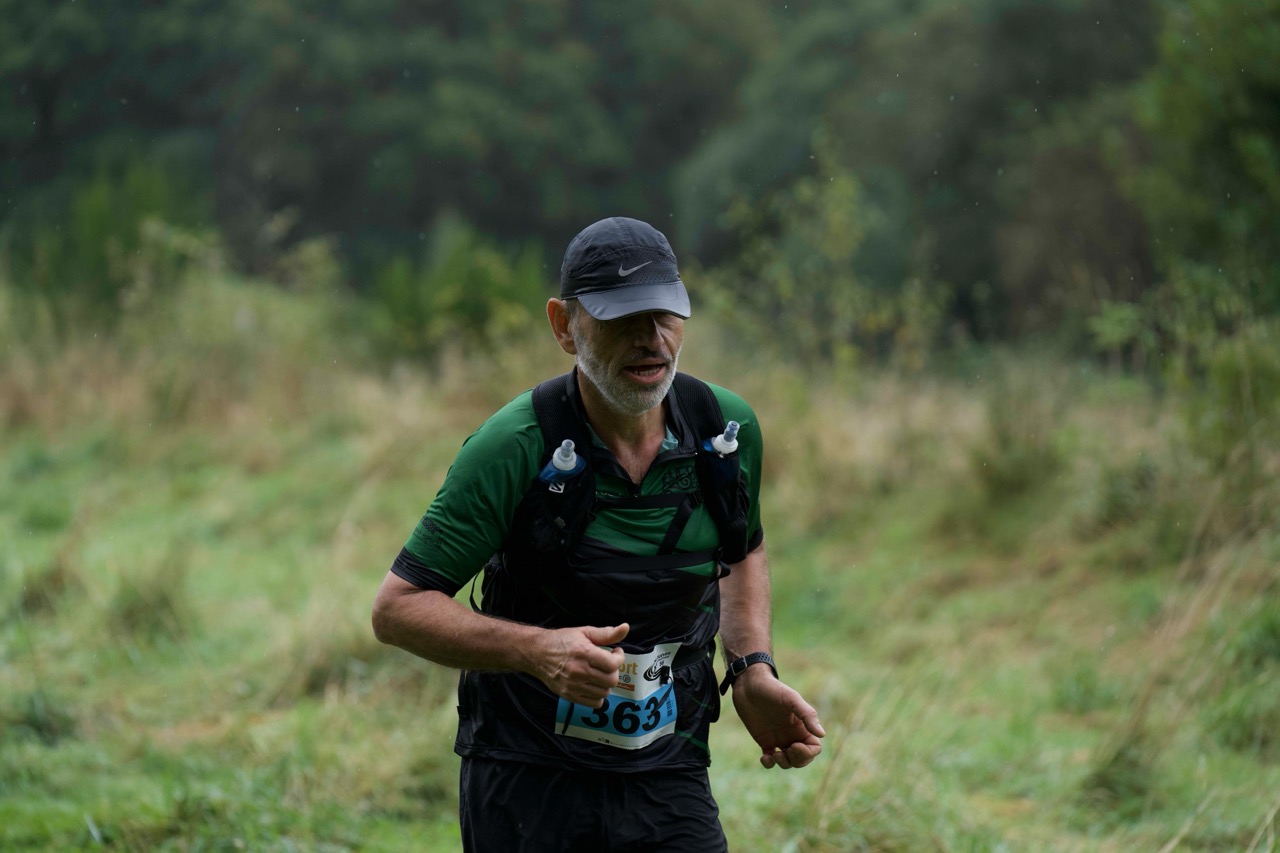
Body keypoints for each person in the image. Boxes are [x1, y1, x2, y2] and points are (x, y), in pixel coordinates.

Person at [371, 216, 824, 851]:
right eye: (622, 319)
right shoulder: (515, 444)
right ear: (564, 326)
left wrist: (751, 669)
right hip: (527, 772)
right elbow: (397, 609)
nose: (651, 340)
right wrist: (538, 651)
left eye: (665, 315)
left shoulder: (723, 428)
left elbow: (741, 550)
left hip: (670, 770)